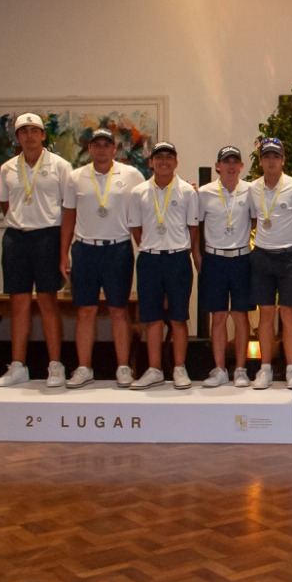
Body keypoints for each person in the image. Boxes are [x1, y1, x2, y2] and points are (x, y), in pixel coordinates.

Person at [60, 127, 145, 388]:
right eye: (96, 144)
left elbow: (148, 205)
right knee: (85, 311)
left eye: (106, 145)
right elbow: (68, 217)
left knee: (119, 311)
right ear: (90, 149)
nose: (101, 149)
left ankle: (123, 368)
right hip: (85, 249)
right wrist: (63, 253)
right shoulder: (75, 177)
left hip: (118, 248)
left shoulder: (131, 175)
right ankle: (84, 367)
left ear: (114, 149)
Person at [0, 113, 73, 389]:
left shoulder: (60, 166)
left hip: (48, 236)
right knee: (19, 303)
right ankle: (18, 366)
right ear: (17, 138)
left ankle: (55, 365)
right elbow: (6, 205)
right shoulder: (7, 169)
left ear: (43, 135)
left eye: (34, 130)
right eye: (23, 131)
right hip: (16, 238)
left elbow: (68, 208)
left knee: (48, 302)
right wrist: (22, 223)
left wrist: (63, 248)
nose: (29, 135)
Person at [126, 142, 200, 390]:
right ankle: (154, 369)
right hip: (149, 258)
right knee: (152, 318)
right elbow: (136, 229)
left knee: (179, 318)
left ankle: (179, 368)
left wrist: (180, 250)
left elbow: (193, 228)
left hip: (178, 258)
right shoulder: (138, 192)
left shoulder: (187, 192)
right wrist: (151, 246)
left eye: (169, 157)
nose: (164, 162)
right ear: (151, 162)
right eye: (159, 158)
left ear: (176, 162)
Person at [248, 137, 292, 389]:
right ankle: (265, 368)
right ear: (261, 161)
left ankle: (291, 367)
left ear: (283, 160)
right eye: (267, 157)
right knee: (265, 313)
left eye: (276, 156)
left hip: (288, 258)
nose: (271, 161)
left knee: (288, 313)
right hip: (262, 255)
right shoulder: (252, 188)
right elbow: (252, 220)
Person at [197, 146, 254, 388]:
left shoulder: (251, 191)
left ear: (241, 166)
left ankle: (240, 369)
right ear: (218, 165)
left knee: (241, 316)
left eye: (235, 162)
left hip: (242, 257)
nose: (231, 166)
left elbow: (256, 221)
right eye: (226, 162)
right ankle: (219, 369)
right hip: (214, 258)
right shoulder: (203, 193)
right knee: (218, 316)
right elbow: (195, 226)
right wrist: (197, 257)